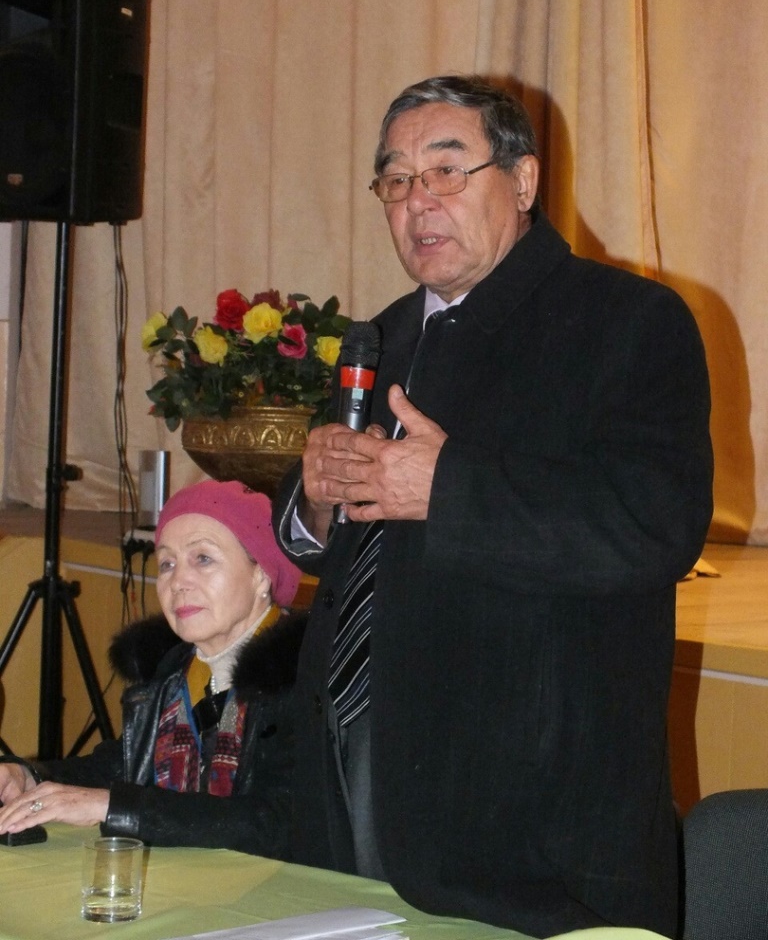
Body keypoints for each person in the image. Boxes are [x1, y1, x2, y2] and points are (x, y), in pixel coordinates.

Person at [272, 74, 714, 938]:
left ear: (523, 181)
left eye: (447, 170)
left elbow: (653, 526)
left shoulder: (629, 321)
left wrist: (445, 488)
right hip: (353, 772)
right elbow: (336, 542)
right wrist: (316, 500)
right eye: (396, 180)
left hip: (528, 828)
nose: (418, 201)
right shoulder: (384, 335)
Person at [0, 479, 304, 856]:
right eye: (167, 564)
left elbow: (278, 822)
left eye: (203, 559)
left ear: (262, 574)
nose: (178, 582)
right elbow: (123, 765)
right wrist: (29, 777)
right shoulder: (175, 673)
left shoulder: (303, 674)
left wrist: (114, 806)